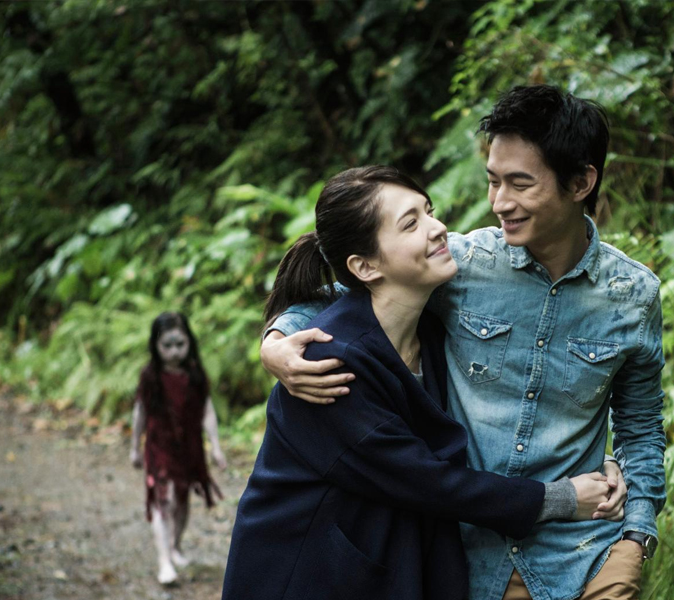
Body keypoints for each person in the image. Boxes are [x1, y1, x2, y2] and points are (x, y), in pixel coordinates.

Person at [261, 86, 664, 600]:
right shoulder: (462, 265)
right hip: (464, 561)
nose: (499, 202)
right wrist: (277, 340)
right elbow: (354, 291)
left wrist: (636, 539)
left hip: (585, 557)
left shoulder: (633, 295)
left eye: (520, 183)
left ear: (581, 182)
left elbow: (640, 426)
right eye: (493, 180)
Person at [222, 166, 622, 600]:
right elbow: (426, 480)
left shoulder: (432, 332)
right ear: (365, 266)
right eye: (411, 223)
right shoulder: (328, 365)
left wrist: (589, 457)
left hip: (377, 559)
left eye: (428, 211)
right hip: (305, 573)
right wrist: (561, 498)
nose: (438, 227)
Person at [130, 311, 226, 585]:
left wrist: (215, 446)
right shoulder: (150, 376)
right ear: (155, 345)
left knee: (182, 501)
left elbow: (207, 410)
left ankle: (175, 546)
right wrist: (134, 447)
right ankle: (164, 561)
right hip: (159, 447)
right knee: (164, 499)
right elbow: (140, 412)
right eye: (167, 345)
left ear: (189, 342)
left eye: (180, 344)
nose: (174, 351)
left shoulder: (195, 374)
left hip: (189, 447)